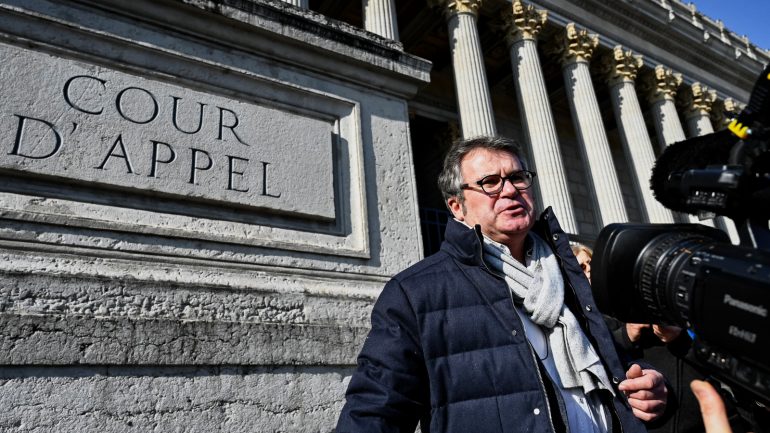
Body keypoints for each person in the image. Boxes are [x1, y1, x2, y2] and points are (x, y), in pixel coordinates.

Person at [336, 136, 667, 433]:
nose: (510, 190)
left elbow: (614, 361)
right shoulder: (415, 293)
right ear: (457, 207)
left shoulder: (571, 276)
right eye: (490, 182)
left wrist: (648, 386)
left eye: (517, 178)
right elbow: (375, 412)